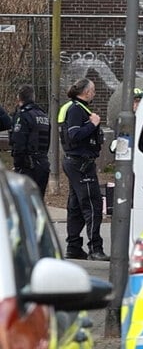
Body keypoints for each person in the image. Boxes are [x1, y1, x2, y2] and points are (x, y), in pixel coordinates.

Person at [59, 78, 108, 261]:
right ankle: (95, 249)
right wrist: (92, 124)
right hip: (80, 164)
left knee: (76, 207)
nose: (94, 94)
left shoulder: (77, 108)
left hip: (77, 163)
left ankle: (74, 248)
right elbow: (74, 134)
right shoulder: (76, 110)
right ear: (86, 92)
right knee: (93, 205)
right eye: (93, 90)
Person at [11, 84, 52, 197]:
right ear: (33, 98)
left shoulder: (23, 115)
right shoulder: (43, 115)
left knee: (24, 205)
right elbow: (47, 141)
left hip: (28, 166)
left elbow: (19, 142)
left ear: (19, 98)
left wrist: (18, 165)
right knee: (38, 203)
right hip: (42, 163)